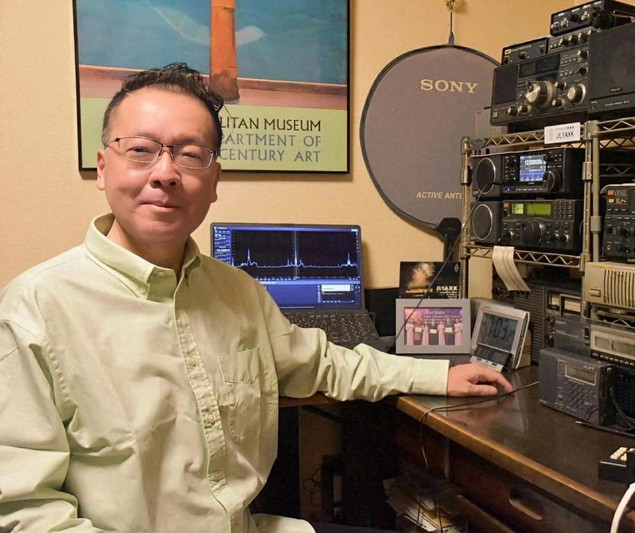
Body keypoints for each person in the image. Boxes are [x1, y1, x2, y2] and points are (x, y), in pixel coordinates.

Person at [0, 63, 513, 533]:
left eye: (190, 154)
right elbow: (26, 511)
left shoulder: (237, 293)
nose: (165, 172)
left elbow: (326, 365)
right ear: (102, 167)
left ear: (214, 180)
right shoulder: (35, 310)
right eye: (140, 150)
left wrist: (438, 374)